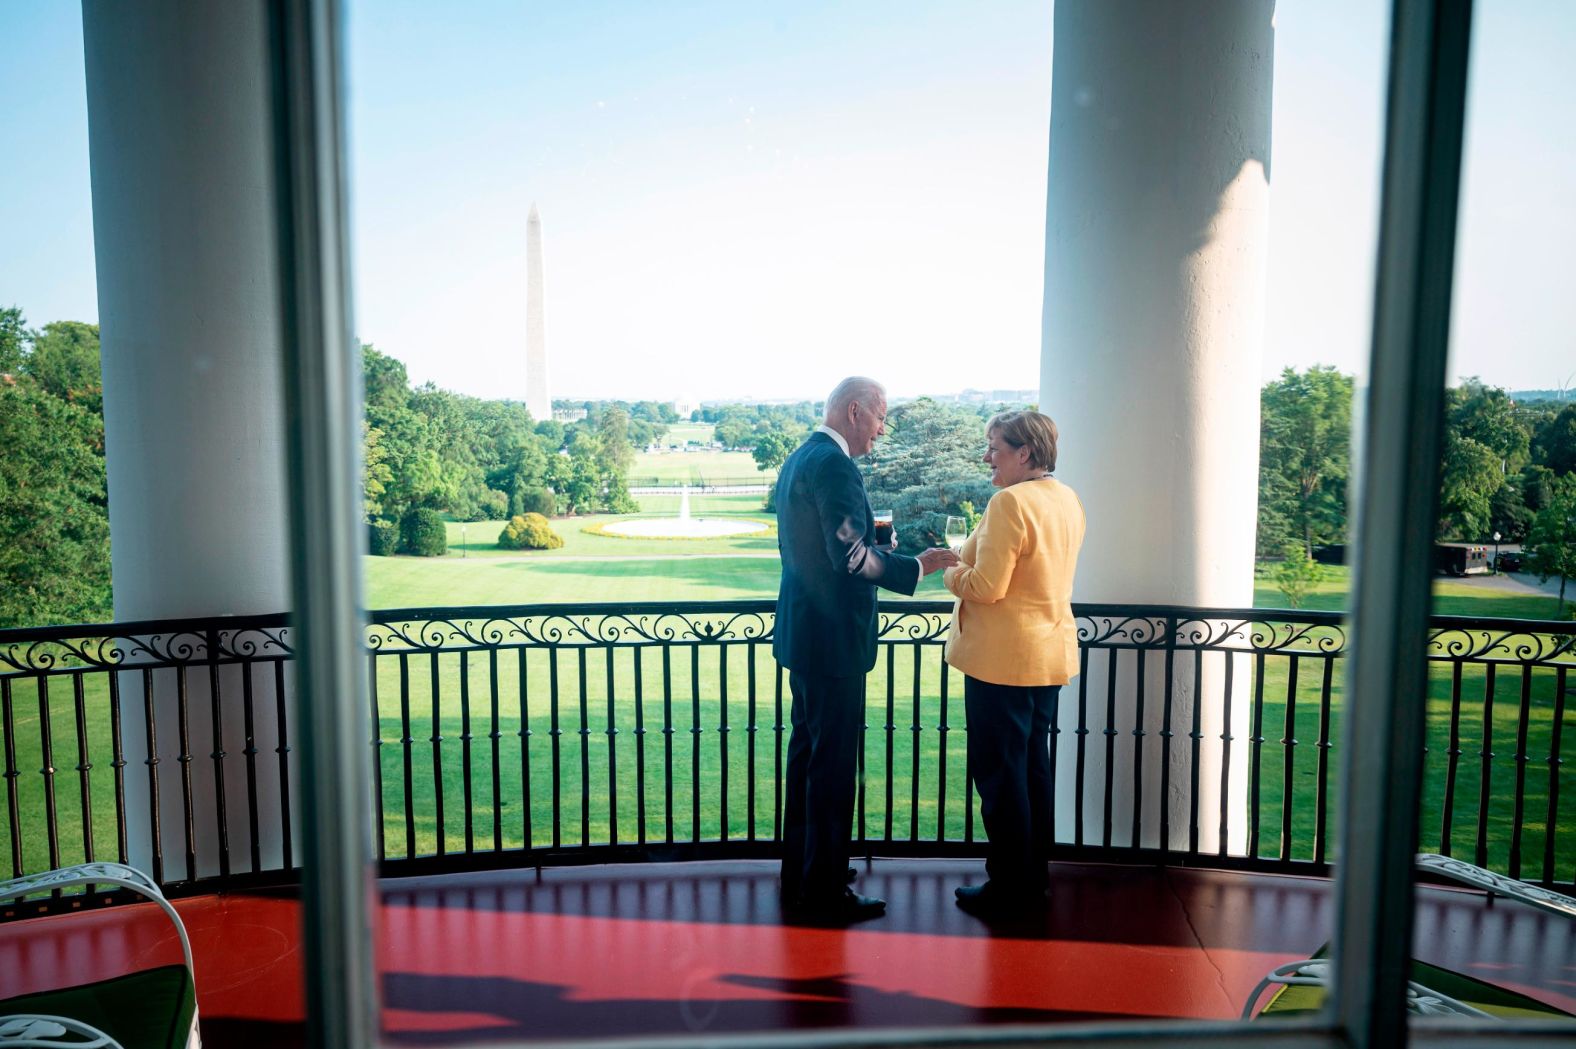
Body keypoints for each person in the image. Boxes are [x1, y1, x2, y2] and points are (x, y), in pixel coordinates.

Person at [774, 376, 958, 923]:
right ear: (855, 411)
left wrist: (873, 547)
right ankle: (826, 891)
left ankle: (805, 870)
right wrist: (915, 566)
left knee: (807, 758)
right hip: (834, 644)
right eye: (881, 417)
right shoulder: (835, 465)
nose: (882, 428)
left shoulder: (800, 457)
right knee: (831, 769)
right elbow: (851, 560)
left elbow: (827, 545)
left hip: (804, 637)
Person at [941, 410, 1085, 918]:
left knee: (1001, 780)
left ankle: (1006, 886)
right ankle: (1032, 878)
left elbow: (987, 587)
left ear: (1024, 453)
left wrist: (952, 570)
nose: (987, 456)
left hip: (1001, 664)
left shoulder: (1009, 502)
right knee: (1032, 772)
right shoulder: (1065, 498)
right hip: (1048, 657)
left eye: (995, 446)